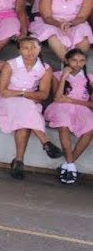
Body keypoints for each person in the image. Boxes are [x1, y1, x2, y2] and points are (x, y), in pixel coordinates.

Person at [0, 36, 64, 179]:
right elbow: (3, 91)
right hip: (5, 102)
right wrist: (26, 94)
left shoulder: (45, 68)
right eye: (25, 48)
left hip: (27, 104)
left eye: (33, 47)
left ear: (40, 48)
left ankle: (19, 162)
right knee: (26, 108)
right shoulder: (10, 64)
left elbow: (43, 95)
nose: (30, 51)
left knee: (24, 123)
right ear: (19, 50)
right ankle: (46, 142)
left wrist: (24, 95)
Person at [45, 48, 93, 184]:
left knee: (90, 128)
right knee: (63, 124)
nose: (78, 64)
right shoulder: (57, 75)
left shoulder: (89, 78)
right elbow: (57, 98)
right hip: (60, 107)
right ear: (66, 60)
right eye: (74, 60)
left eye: (82, 61)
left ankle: (68, 164)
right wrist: (64, 78)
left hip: (82, 107)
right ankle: (71, 167)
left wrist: (73, 101)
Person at [29, 0, 93, 62]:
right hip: (51, 22)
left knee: (84, 35)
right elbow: (47, 17)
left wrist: (69, 23)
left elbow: (82, 17)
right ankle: (68, 63)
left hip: (75, 22)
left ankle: (78, 63)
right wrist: (59, 24)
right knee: (52, 35)